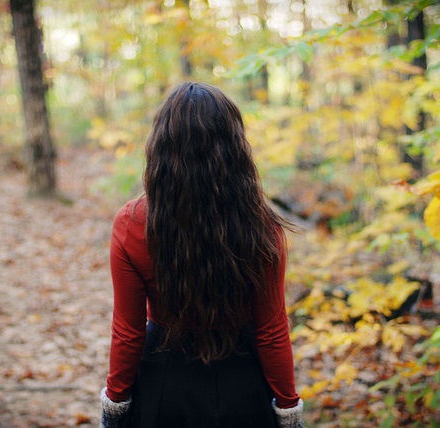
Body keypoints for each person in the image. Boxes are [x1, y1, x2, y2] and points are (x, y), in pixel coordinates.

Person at [100, 82, 303, 428]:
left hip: (162, 385)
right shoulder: (263, 227)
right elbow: (270, 330)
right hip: (243, 384)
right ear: (234, 148)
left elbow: (128, 330)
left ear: (160, 146)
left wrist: (116, 402)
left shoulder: (132, 224)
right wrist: (288, 408)